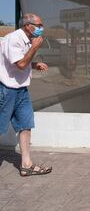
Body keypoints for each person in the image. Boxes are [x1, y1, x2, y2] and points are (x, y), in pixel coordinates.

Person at [0, 13, 52, 176]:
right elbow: (21, 64)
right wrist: (34, 48)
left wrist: (35, 64)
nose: (41, 28)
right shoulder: (13, 39)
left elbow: (20, 62)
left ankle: (26, 165)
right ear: (27, 25)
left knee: (25, 125)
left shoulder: (27, 40)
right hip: (7, 89)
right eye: (38, 25)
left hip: (21, 90)